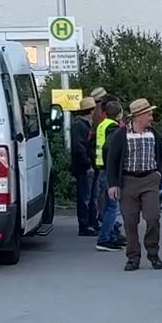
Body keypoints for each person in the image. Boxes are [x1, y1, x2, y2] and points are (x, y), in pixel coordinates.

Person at [101, 98, 162, 270]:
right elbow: (112, 161)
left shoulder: (154, 133)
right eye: (148, 114)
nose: (151, 117)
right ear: (138, 116)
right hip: (128, 181)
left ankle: (153, 253)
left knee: (153, 217)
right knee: (130, 221)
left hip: (150, 180)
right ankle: (133, 258)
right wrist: (113, 184)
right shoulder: (121, 134)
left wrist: (159, 173)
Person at [92, 98, 125, 252]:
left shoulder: (102, 125)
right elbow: (110, 148)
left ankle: (110, 235)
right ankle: (105, 239)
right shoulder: (113, 127)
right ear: (119, 115)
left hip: (101, 167)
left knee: (107, 206)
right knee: (112, 207)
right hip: (108, 169)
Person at [69, 96, 99, 235]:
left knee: (91, 197)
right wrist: (88, 164)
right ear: (91, 110)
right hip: (85, 168)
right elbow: (79, 148)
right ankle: (84, 225)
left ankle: (91, 223)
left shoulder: (85, 124)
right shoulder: (80, 125)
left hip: (89, 166)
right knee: (85, 198)